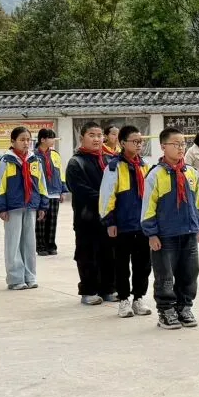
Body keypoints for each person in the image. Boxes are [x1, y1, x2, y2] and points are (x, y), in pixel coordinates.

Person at [142, 127, 199, 330]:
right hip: (165, 235)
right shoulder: (156, 175)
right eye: (175, 144)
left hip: (188, 232)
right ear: (163, 147)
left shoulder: (191, 173)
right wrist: (151, 233)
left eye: (182, 144)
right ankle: (166, 309)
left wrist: (198, 227)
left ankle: (184, 306)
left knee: (189, 273)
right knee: (165, 275)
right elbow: (148, 207)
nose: (180, 148)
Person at [99, 125, 153, 318]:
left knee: (143, 264)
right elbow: (107, 196)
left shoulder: (145, 166)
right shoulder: (114, 167)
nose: (139, 145)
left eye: (141, 141)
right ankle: (123, 300)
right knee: (121, 264)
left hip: (143, 225)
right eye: (134, 141)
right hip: (122, 225)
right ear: (122, 143)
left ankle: (139, 298)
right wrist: (110, 221)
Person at [66, 121, 117, 305]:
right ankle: (88, 290)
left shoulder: (109, 160)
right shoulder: (76, 162)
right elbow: (80, 190)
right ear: (82, 138)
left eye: (99, 135)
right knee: (87, 254)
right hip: (86, 217)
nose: (96, 139)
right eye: (92, 135)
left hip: (107, 217)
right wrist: (106, 199)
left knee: (109, 253)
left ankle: (108, 289)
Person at [0, 127, 49, 291]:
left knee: (29, 243)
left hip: (31, 206)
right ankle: (15, 278)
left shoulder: (35, 160)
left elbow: (42, 185)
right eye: (22, 140)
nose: (26, 143)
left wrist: (43, 205)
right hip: (13, 207)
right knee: (13, 242)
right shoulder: (6, 161)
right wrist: (1, 207)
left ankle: (30, 276)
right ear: (13, 142)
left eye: (28, 140)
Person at [34, 129, 66, 256]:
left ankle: (51, 245)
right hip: (40, 193)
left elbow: (60, 173)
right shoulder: (33, 155)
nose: (53, 140)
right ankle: (41, 246)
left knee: (52, 220)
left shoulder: (55, 155)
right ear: (42, 139)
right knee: (40, 221)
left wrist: (62, 190)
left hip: (54, 192)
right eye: (51, 138)